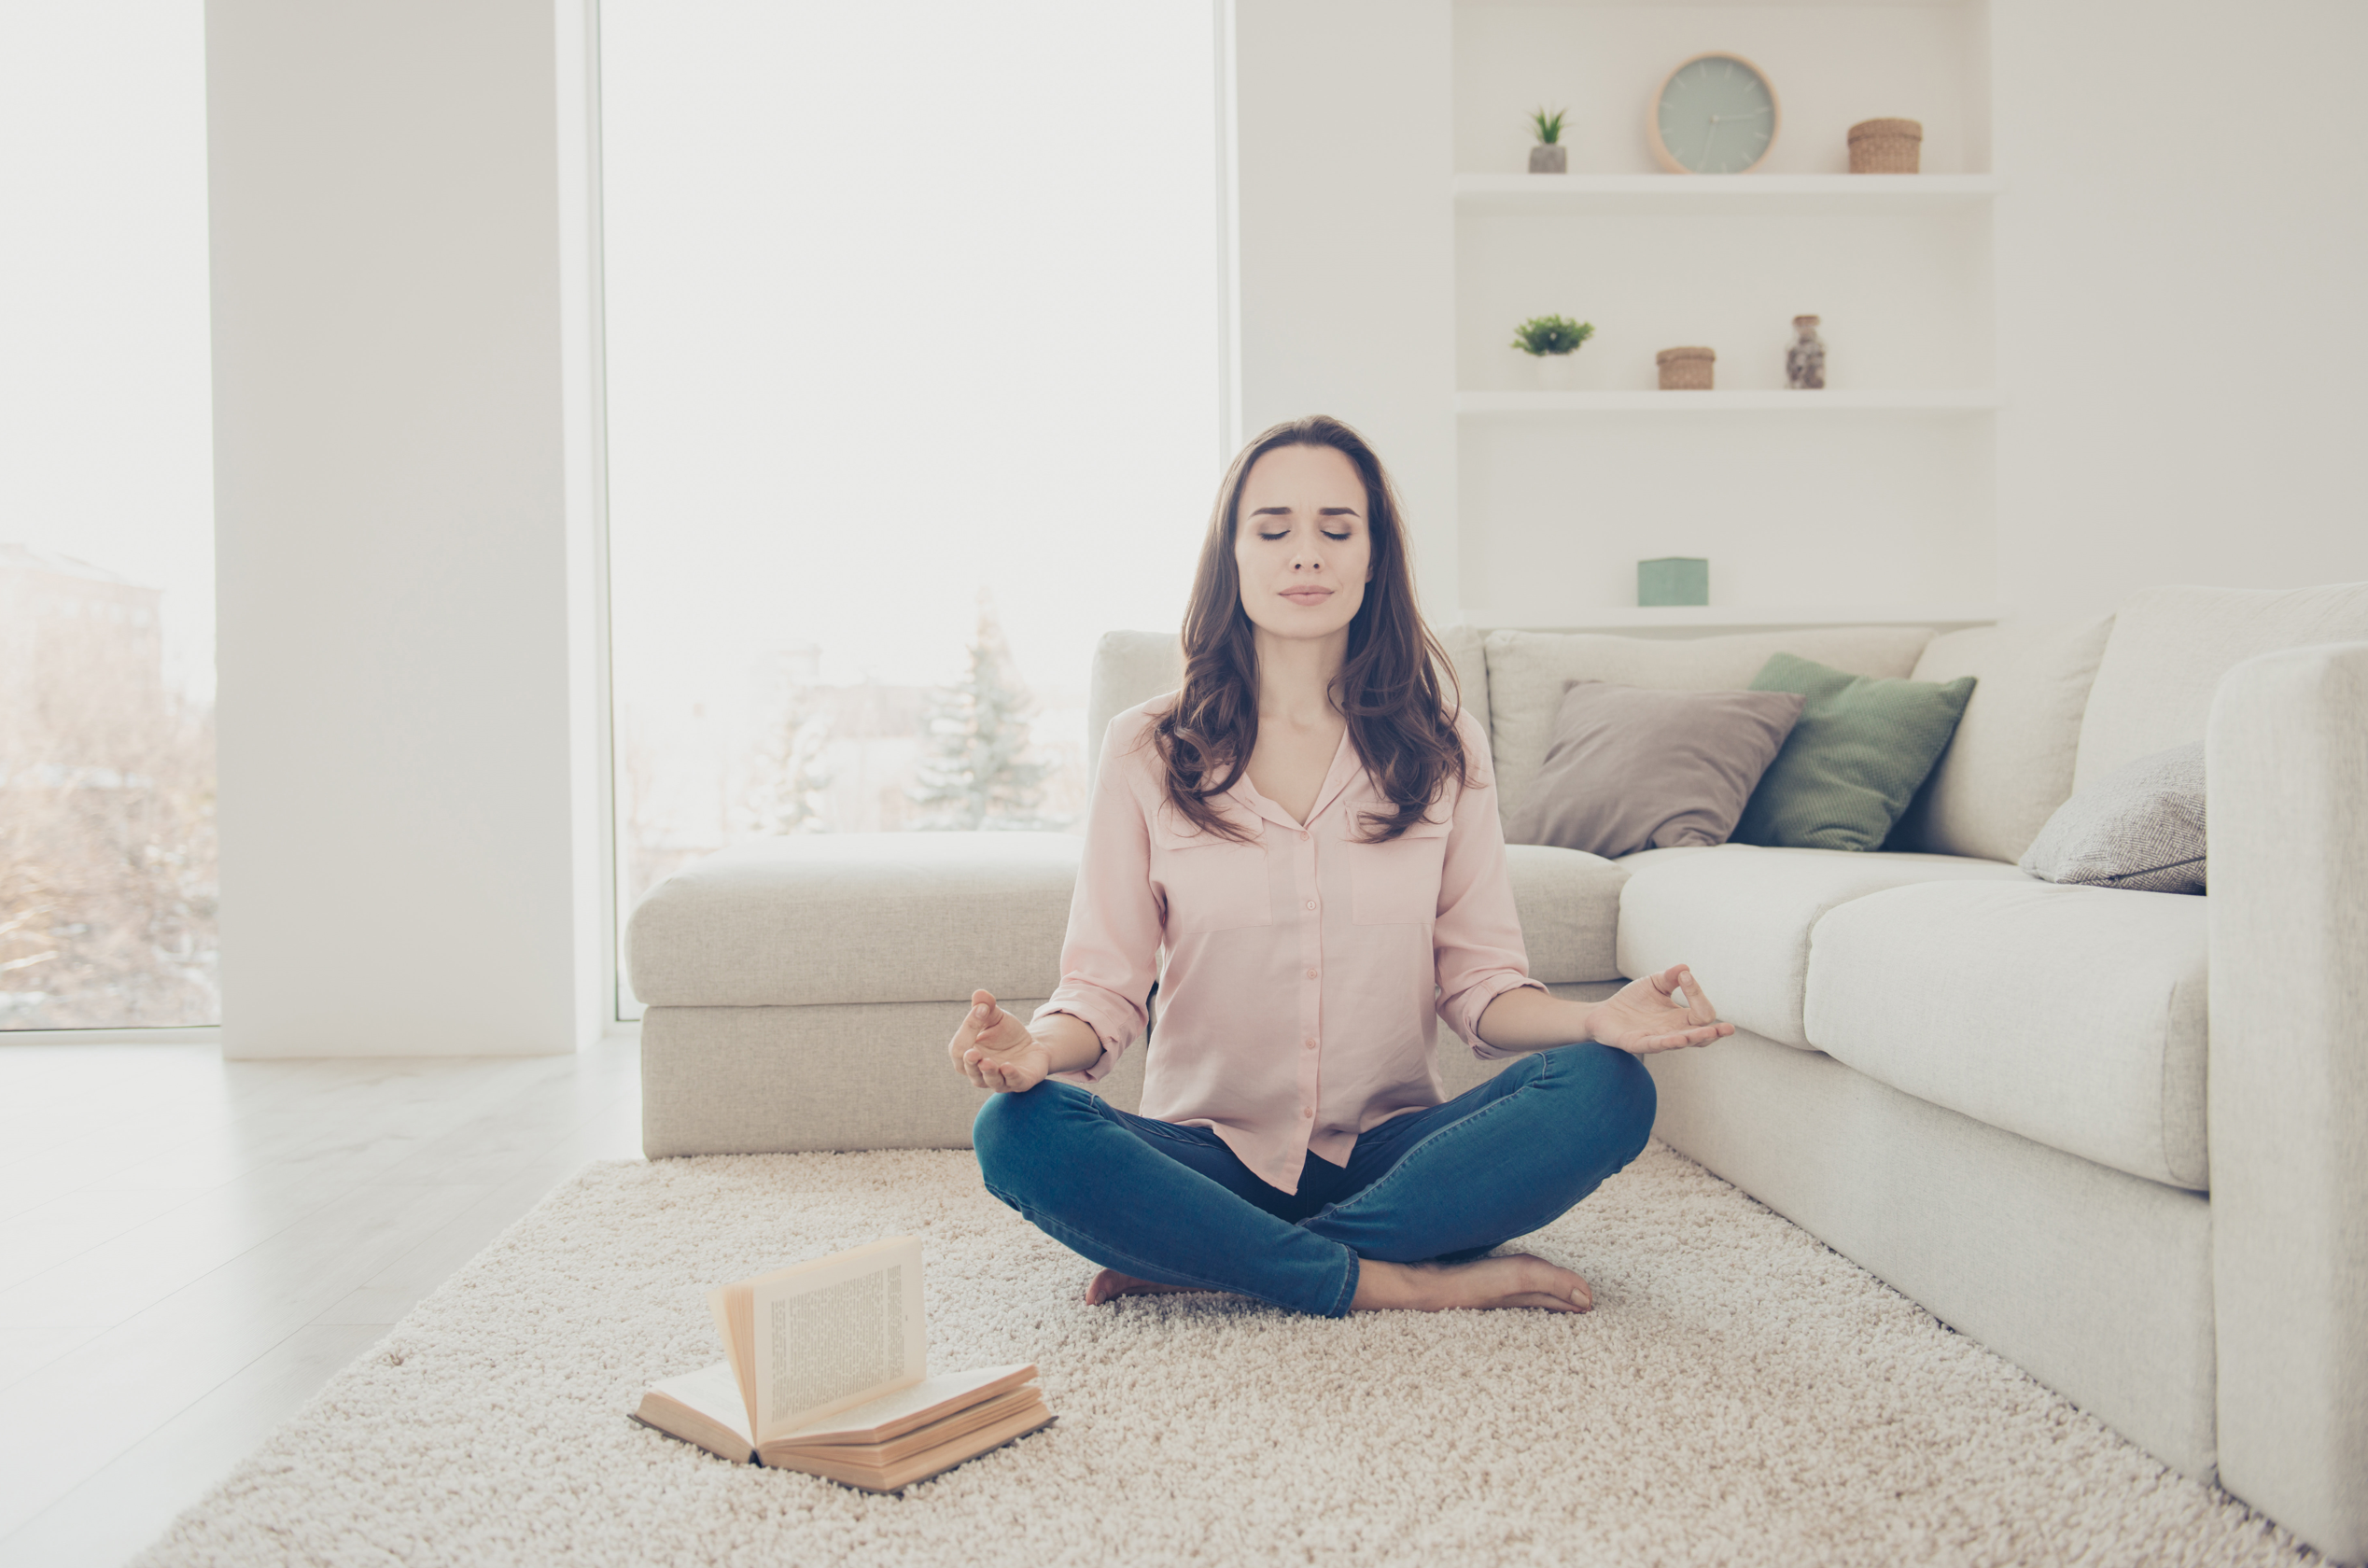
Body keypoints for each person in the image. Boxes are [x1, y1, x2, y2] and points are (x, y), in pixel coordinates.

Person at [951, 414, 1732, 1318]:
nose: (1305, 556)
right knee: (1016, 1132)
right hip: (1208, 1158)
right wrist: (1030, 1053)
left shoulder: (1444, 749)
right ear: (1231, 559)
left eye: (1336, 529)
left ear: (1372, 559)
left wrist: (1596, 1021)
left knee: (1608, 1089)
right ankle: (1387, 1279)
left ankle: (1219, 1258)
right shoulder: (1144, 750)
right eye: (1272, 530)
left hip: (1392, 1157)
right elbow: (1103, 994)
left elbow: (1481, 988)